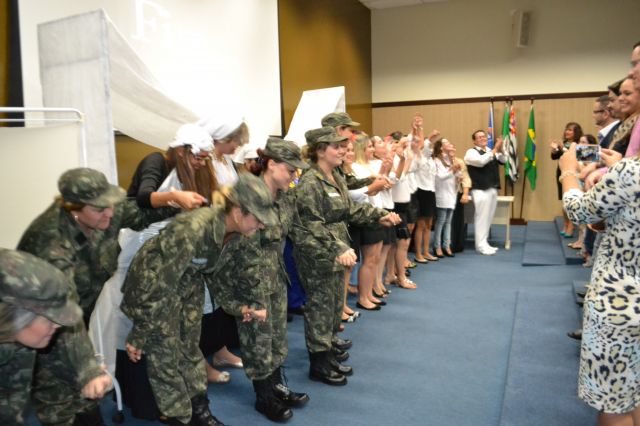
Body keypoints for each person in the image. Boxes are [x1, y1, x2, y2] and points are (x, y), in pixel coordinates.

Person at [17, 167, 172, 425]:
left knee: (87, 395)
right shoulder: (52, 246)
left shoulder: (101, 211)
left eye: (109, 204)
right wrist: (87, 370)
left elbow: (139, 213)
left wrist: (177, 202)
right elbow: (62, 315)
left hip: (81, 307)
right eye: (100, 209)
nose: (109, 213)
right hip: (45, 323)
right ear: (74, 209)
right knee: (58, 394)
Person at [121, 173, 276, 426]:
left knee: (190, 348)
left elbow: (218, 278)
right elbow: (161, 284)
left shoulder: (236, 235)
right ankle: (179, 417)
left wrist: (240, 308)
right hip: (153, 284)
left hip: (188, 280)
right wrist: (140, 332)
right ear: (238, 212)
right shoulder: (193, 230)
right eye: (258, 219)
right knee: (165, 353)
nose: (261, 226)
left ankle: (198, 411)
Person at [208, 138, 311, 422]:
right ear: (272, 164)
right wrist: (249, 297)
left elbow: (296, 231)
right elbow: (239, 249)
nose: (294, 176)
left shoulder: (285, 198)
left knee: (277, 338)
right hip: (248, 278)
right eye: (290, 169)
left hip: (275, 275)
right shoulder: (249, 196)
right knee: (257, 340)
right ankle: (264, 397)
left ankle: (276, 386)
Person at [293, 126, 400, 386]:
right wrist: (338, 248)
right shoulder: (310, 181)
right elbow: (311, 224)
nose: (343, 150)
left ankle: (328, 351)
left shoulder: (334, 176)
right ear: (320, 151)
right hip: (319, 252)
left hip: (337, 250)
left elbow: (349, 209)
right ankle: (318, 363)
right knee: (320, 307)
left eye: (344, 146)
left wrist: (380, 215)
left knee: (332, 305)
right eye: (337, 146)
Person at [559, 143, 640, 426]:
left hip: (620, 302)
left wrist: (568, 172)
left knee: (614, 404)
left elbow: (579, 211)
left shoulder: (631, 171)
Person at [0, 249, 97, 426]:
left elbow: (10, 404)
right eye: (49, 319)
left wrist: (89, 371)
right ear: (15, 316)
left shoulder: (20, 334)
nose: (58, 325)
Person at [464, 130, 505, 255]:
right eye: (479, 137)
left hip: (492, 188)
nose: (483, 138)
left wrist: (501, 149)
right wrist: (495, 149)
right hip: (480, 189)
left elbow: (504, 160)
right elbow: (481, 162)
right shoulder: (471, 152)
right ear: (474, 141)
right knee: (481, 217)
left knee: (488, 217)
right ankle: (480, 245)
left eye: (484, 136)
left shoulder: (489, 150)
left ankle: (484, 242)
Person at [550, 122, 583, 237]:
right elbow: (554, 156)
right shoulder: (564, 143)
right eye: (566, 129)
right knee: (563, 200)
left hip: (572, 175)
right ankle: (566, 223)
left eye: (570, 130)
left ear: (576, 132)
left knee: (571, 200)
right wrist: (554, 149)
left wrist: (561, 147)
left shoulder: (579, 144)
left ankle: (571, 226)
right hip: (561, 173)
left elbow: (573, 156)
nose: (567, 132)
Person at [432, 139, 459, 258]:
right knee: (441, 221)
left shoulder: (450, 159)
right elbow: (440, 177)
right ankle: (437, 246)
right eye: (446, 143)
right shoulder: (436, 161)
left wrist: (457, 172)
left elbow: (457, 175)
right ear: (441, 147)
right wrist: (452, 170)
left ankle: (447, 245)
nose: (449, 144)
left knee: (448, 222)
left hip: (451, 193)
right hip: (442, 193)